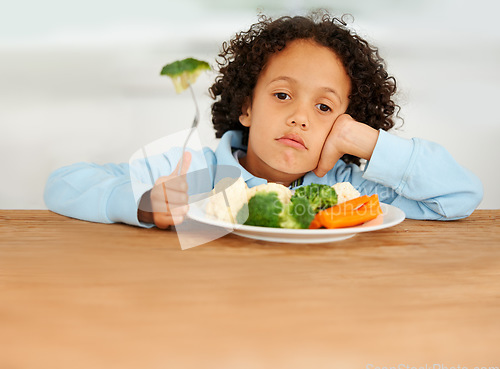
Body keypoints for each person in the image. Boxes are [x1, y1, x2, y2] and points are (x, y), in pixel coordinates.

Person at [44, 12, 483, 229]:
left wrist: (368, 143)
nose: (299, 117)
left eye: (325, 108)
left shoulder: (354, 192)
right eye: (282, 95)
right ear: (247, 107)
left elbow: (458, 196)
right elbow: (63, 183)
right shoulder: (193, 176)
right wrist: (142, 204)